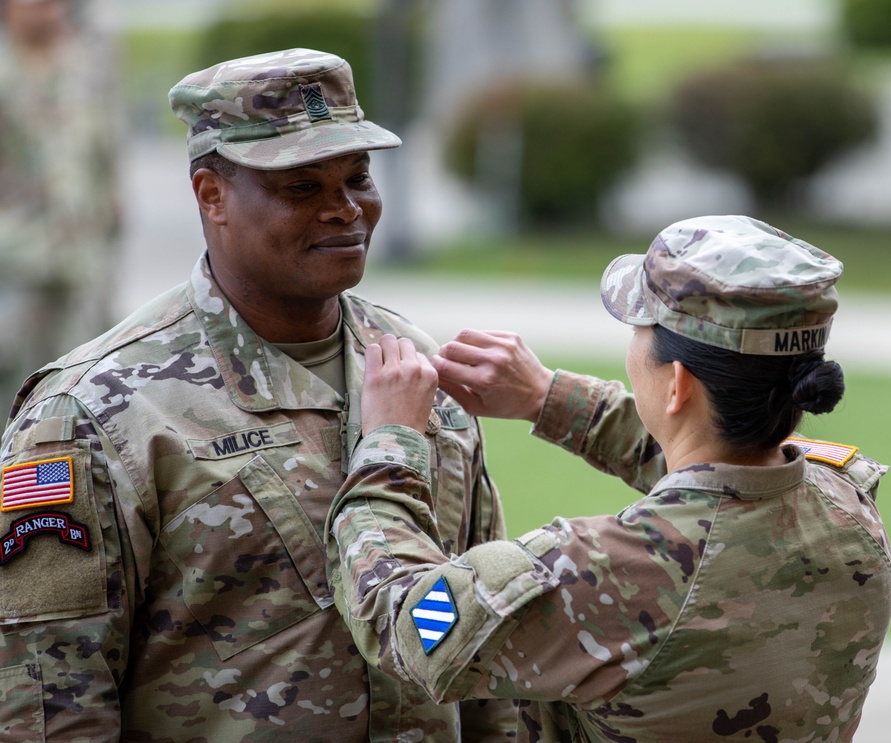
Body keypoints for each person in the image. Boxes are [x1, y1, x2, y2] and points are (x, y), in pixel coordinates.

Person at [0, 48, 516, 740]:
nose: (344, 209)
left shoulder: (418, 371)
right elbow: (49, 704)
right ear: (211, 195)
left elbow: (487, 648)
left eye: (358, 176)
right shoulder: (94, 411)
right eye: (301, 187)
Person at [329, 215, 891, 742]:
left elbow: (403, 621)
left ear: (676, 383)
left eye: (641, 330)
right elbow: (714, 469)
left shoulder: (595, 574)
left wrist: (389, 443)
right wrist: (547, 398)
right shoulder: (848, 503)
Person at [0, 0, 121, 411]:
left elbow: (106, 141)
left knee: (80, 370)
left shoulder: (87, 60)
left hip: (80, 247)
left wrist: (113, 207)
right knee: (10, 370)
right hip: (12, 251)